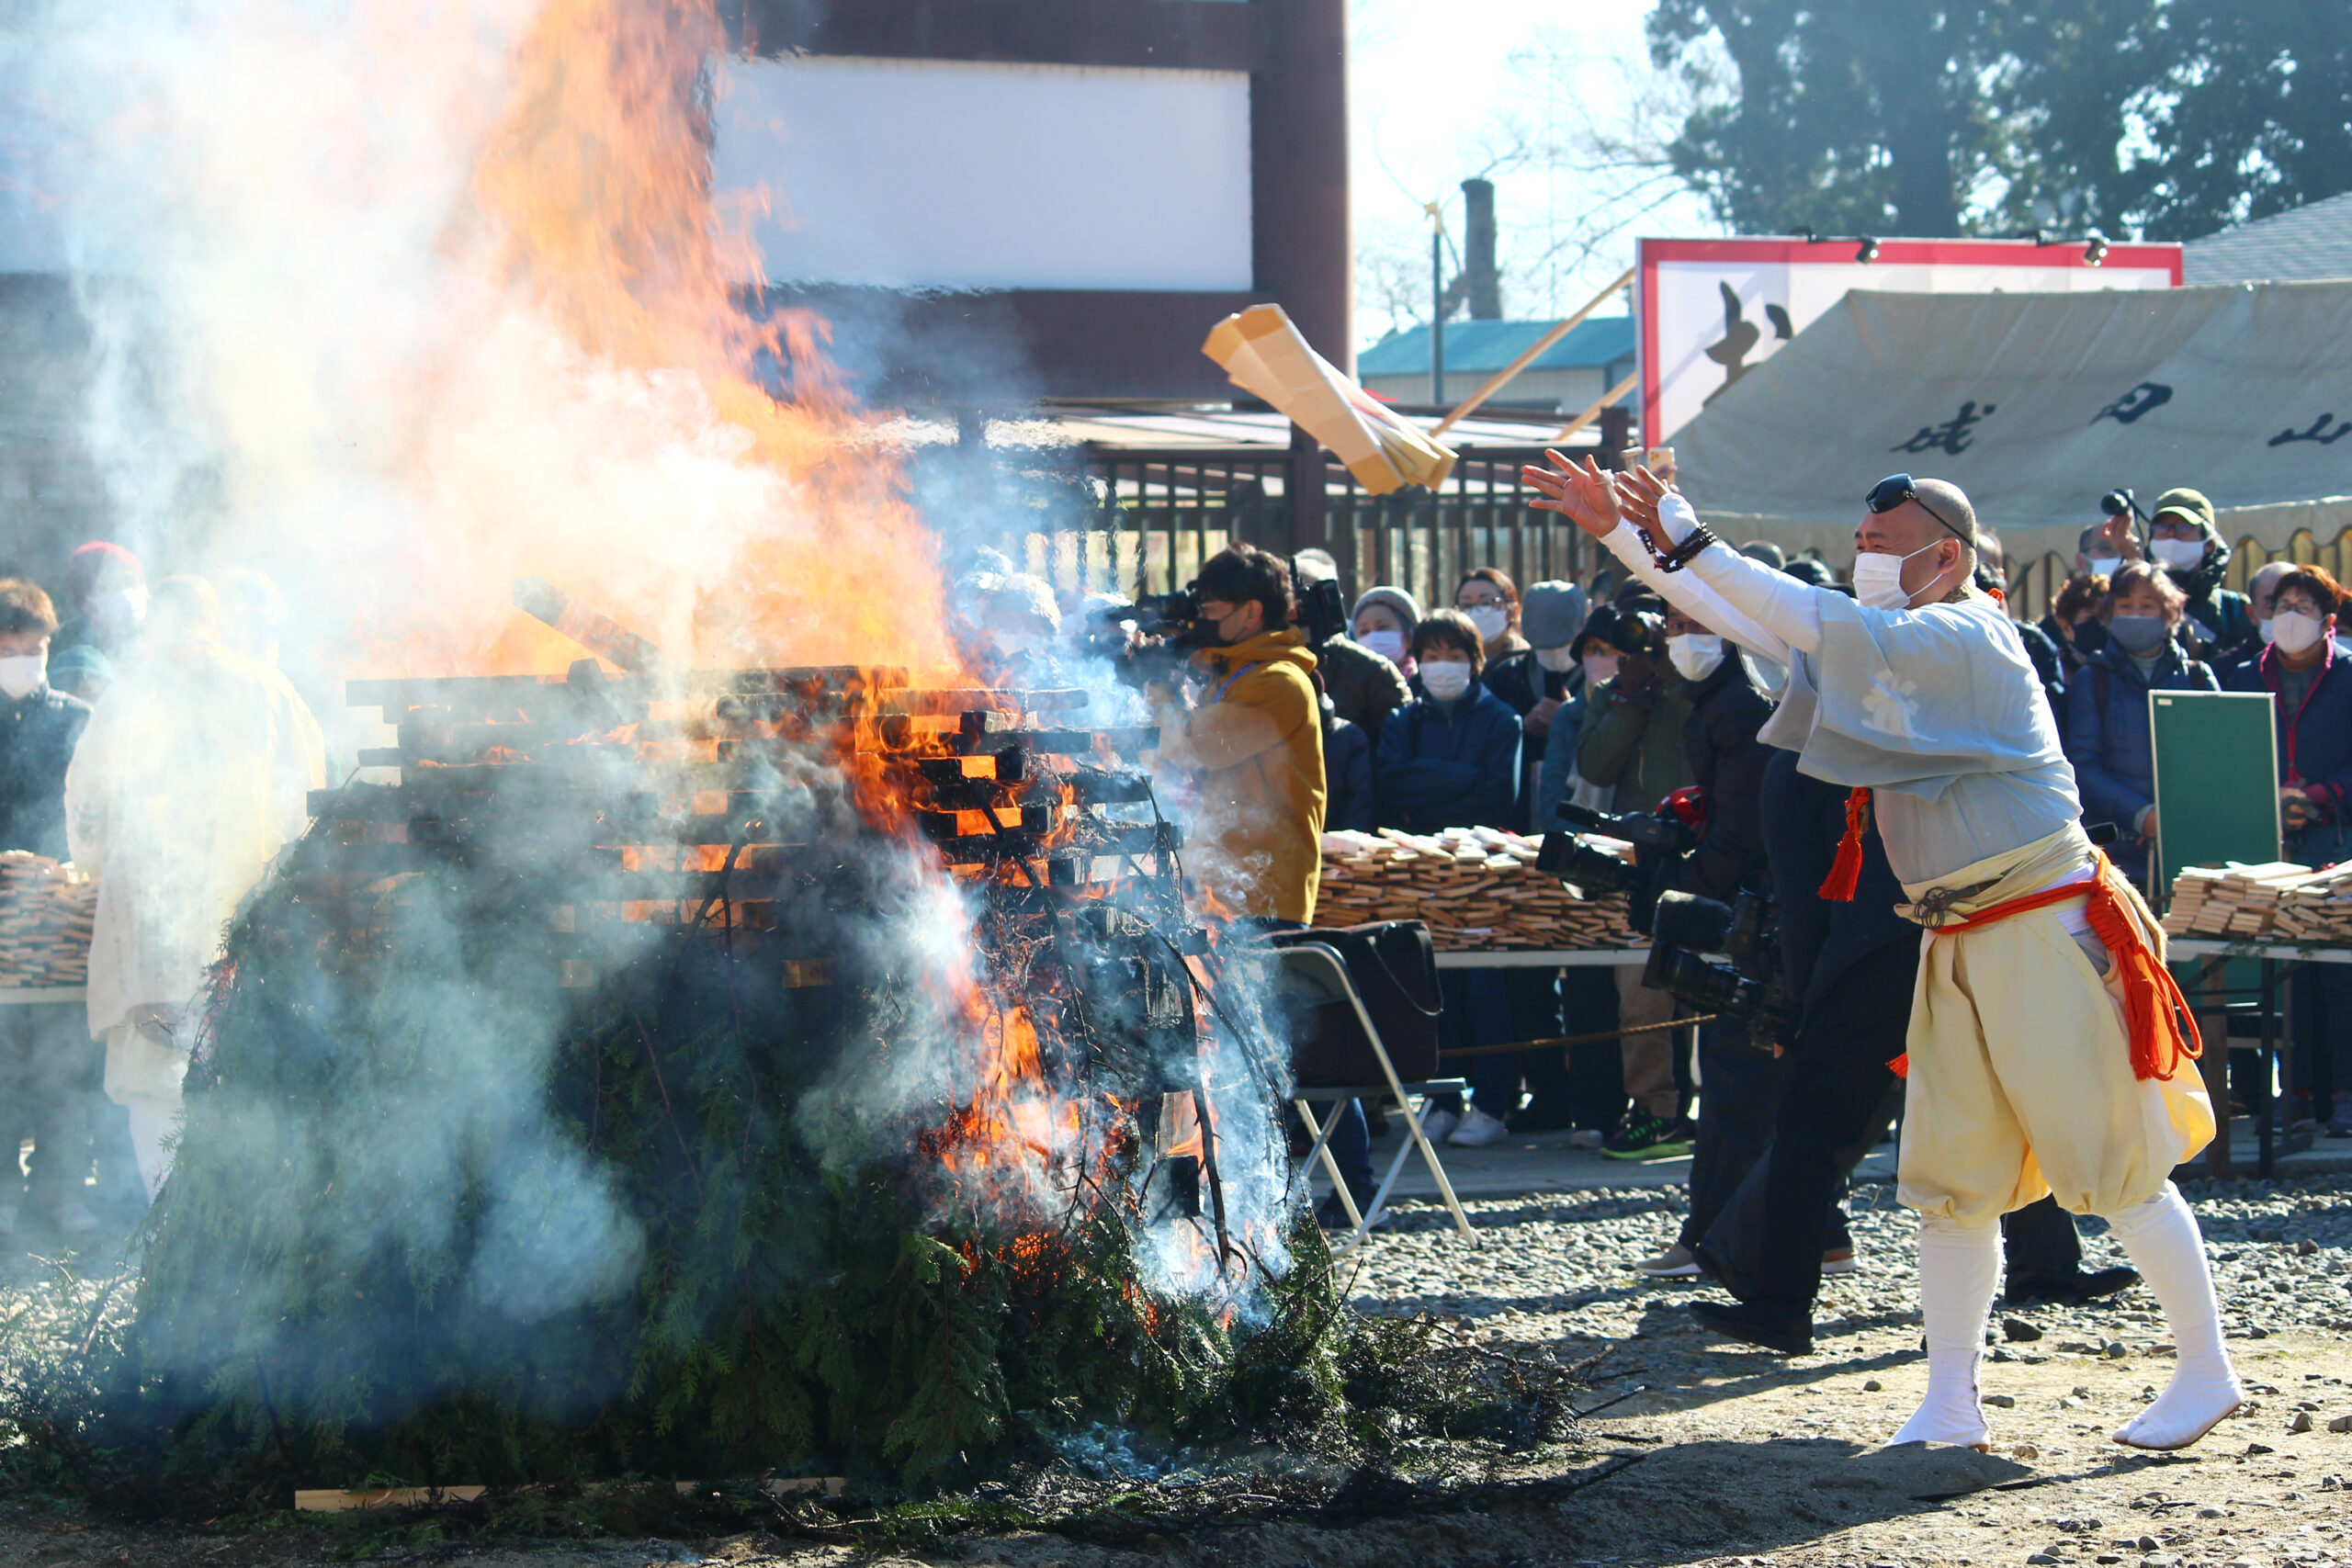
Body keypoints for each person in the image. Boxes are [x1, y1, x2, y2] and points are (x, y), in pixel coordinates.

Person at [1528, 453, 2240, 1452]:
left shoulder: (1968, 632)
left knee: (2116, 1163)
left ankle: (2207, 1370)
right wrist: (1622, 535)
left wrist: (1682, 528)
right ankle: (1950, 1401)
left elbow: (1794, 614)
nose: (1862, 559)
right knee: (1954, 1183)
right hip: (1952, 933)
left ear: (1947, 558)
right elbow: (1751, 617)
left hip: (2040, 921)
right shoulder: (1888, 637)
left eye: (1881, 547)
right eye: (1858, 545)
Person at [66, 578, 326, 1202]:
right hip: (247, 916)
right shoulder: (270, 690)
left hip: (147, 927)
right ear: (217, 621)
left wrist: (96, 867)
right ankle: (232, 1229)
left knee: (156, 1079)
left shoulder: (126, 697)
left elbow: (86, 808)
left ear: (156, 625)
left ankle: (168, 1226)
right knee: (242, 1067)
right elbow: (313, 799)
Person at [1637, 604, 1777, 1278]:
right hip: (1758, 903)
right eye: (1673, 625)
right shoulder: (1723, 697)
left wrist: (1681, 889)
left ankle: (1711, 1233)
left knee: (1734, 1076)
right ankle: (1818, 1229)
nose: (1682, 637)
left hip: (1760, 910)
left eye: (1696, 622)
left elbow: (1744, 829)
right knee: (1767, 1078)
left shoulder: (1740, 704)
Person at [1374, 609, 1523, 1145]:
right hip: (1419, 872)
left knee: (1484, 986)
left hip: (1480, 874)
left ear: (1475, 662)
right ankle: (1441, 1098)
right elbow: (1392, 787)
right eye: (1432, 656)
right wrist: (1461, 778)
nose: (1443, 667)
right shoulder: (1403, 719)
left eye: (1455, 656)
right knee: (1431, 988)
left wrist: (1434, 786)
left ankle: (1491, 1103)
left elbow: (1497, 796)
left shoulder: (1502, 720)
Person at [2223, 567, 2352, 1140]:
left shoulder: (2349, 675)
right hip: (2267, 845)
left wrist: (2320, 796)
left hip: (2339, 841)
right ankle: (2296, 1094)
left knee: (2341, 976)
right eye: (2282, 603)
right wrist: (2268, 799)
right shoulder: (2244, 677)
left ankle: (2344, 1096)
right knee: (2283, 974)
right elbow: (2227, 754)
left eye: (2305, 604)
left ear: (2330, 619)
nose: (2291, 614)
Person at [1574, 604, 1702, 1161]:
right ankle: (1655, 1109)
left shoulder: (1704, 687)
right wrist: (1630, 697)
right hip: (1642, 861)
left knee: (1703, 991)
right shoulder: (1614, 695)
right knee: (1642, 997)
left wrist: (1675, 685)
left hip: (1708, 853)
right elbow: (1597, 766)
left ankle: (1700, 1112)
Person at [1146, 546, 1327, 926]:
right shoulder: (1232, 676)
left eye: (1211, 608)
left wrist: (1156, 685)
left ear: (1251, 612)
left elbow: (1191, 746)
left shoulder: (1280, 681)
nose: (1202, 618)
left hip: (1266, 896)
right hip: (1225, 889)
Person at [0, 581, 96, 1238]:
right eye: (8, 649)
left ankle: (61, 1194)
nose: (21, 660)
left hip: (61, 923)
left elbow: (92, 812)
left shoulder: (74, 719)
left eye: (32, 648)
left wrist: (69, 870)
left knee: (63, 1075)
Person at [2062, 563, 2219, 892]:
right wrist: (2140, 814)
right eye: (2125, 606)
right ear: (2108, 613)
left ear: (2169, 613)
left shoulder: (2197, 676)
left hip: (2194, 847)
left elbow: (2221, 754)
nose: (2136, 614)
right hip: (2118, 853)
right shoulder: (2094, 679)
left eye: (2147, 605)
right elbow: (2083, 766)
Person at [1292, 553, 1408, 740]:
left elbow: (1393, 751)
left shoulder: (1373, 671)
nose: (1302, 609)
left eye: (1312, 596)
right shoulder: (1263, 665)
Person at [2145, 489, 2252, 660]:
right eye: (2162, 527)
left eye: (2183, 526)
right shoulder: (2133, 600)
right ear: (2150, 541)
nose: (2171, 534)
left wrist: (2203, 654)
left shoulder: (2234, 609)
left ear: (2209, 543)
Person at [1454, 569, 1539, 723]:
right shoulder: (1448, 662)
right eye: (1467, 605)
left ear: (1512, 611)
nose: (1476, 612)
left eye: (1486, 603)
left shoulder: (1529, 664)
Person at [50, 542, 147, 660]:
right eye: (110, 585)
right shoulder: (63, 648)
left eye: (130, 581)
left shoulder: (158, 639)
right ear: (86, 601)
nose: (124, 592)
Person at [2041, 572, 2110, 685]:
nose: (2101, 625)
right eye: (2092, 619)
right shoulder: (2046, 670)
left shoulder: (2122, 668)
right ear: (2065, 626)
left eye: (2106, 619)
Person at [1349, 587, 1420, 686]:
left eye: (1382, 627)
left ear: (1408, 638)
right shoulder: (1349, 687)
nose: (1372, 637)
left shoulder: (1425, 686)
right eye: (1364, 631)